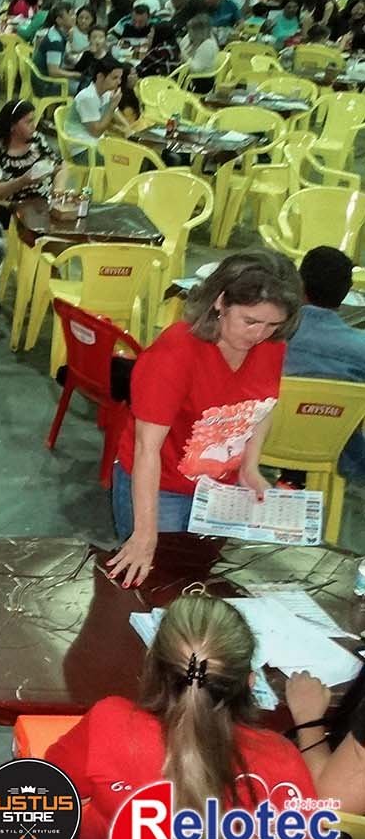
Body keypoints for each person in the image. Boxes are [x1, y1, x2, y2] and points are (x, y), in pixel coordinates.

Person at [49, 594, 322, 839]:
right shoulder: (282, 759)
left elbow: (51, 790)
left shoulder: (109, 722)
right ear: (250, 683)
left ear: (151, 666)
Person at [107, 250, 303, 587]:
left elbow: (261, 408)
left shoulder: (271, 345)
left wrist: (249, 466)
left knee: (199, 577)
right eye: (250, 321)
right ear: (220, 302)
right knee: (156, 581)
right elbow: (145, 449)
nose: (259, 335)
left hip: (219, 489)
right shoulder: (175, 353)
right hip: (161, 487)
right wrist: (145, 534)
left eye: (273, 325)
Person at [280, 246, 365, 481]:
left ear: (299, 285)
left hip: (264, 441)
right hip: (332, 449)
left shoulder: (270, 333)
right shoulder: (361, 347)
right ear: (346, 294)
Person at [0, 98, 60, 219]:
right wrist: (22, 181)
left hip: (42, 205)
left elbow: (59, 166)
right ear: (12, 126)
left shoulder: (37, 140)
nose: (34, 126)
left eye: (33, 121)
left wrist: (56, 192)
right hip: (10, 210)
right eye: (28, 122)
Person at [65, 56, 130, 152]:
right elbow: (96, 132)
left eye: (120, 78)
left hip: (97, 143)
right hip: (82, 149)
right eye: (115, 78)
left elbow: (116, 114)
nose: (119, 82)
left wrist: (129, 129)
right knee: (126, 157)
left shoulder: (106, 93)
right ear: (100, 77)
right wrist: (112, 106)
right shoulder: (87, 97)